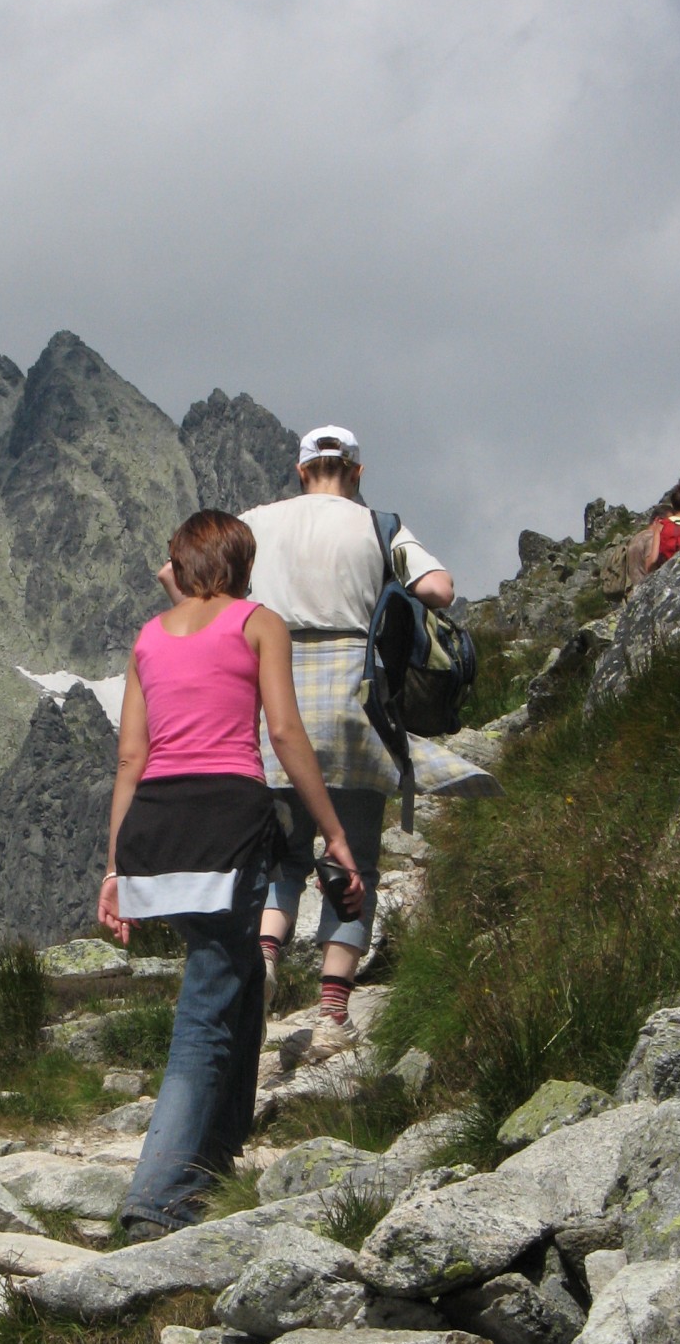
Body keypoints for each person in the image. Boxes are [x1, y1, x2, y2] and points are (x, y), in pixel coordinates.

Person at [99, 508, 360, 1240]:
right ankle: (156, 1199)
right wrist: (332, 832)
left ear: (178, 568)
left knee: (239, 971)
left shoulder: (149, 637)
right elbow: (282, 731)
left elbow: (129, 758)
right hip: (228, 823)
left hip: (155, 830)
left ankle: (217, 1151)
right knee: (206, 1008)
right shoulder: (257, 623)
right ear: (246, 567)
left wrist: (115, 869)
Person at [237, 426, 455, 1054]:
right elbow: (439, 589)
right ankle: (332, 1013)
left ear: (301, 471)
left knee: (279, 857)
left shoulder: (254, 523)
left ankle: (265, 963)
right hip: (353, 709)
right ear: (357, 473)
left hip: (268, 707)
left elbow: (182, 573)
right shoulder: (380, 525)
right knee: (353, 860)